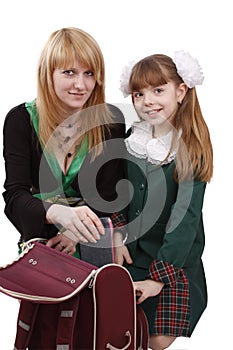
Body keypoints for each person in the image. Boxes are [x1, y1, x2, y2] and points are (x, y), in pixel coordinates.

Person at [115, 51, 213, 350]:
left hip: (174, 260)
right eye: (139, 93)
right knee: (114, 325)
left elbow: (185, 218)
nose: (148, 100)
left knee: (155, 339)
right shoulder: (132, 140)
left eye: (158, 90)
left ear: (181, 91)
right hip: (132, 254)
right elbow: (119, 194)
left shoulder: (189, 147)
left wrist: (159, 279)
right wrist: (117, 235)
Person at [3, 27, 127, 258]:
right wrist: (55, 212)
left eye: (89, 73)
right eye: (69, 72)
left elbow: (111, 194)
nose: (81, 85)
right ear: (48, 73)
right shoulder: (21, 120)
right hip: (41, 243)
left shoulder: (110, 121)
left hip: (95, 242)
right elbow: (14, 197)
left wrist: (73, 233)